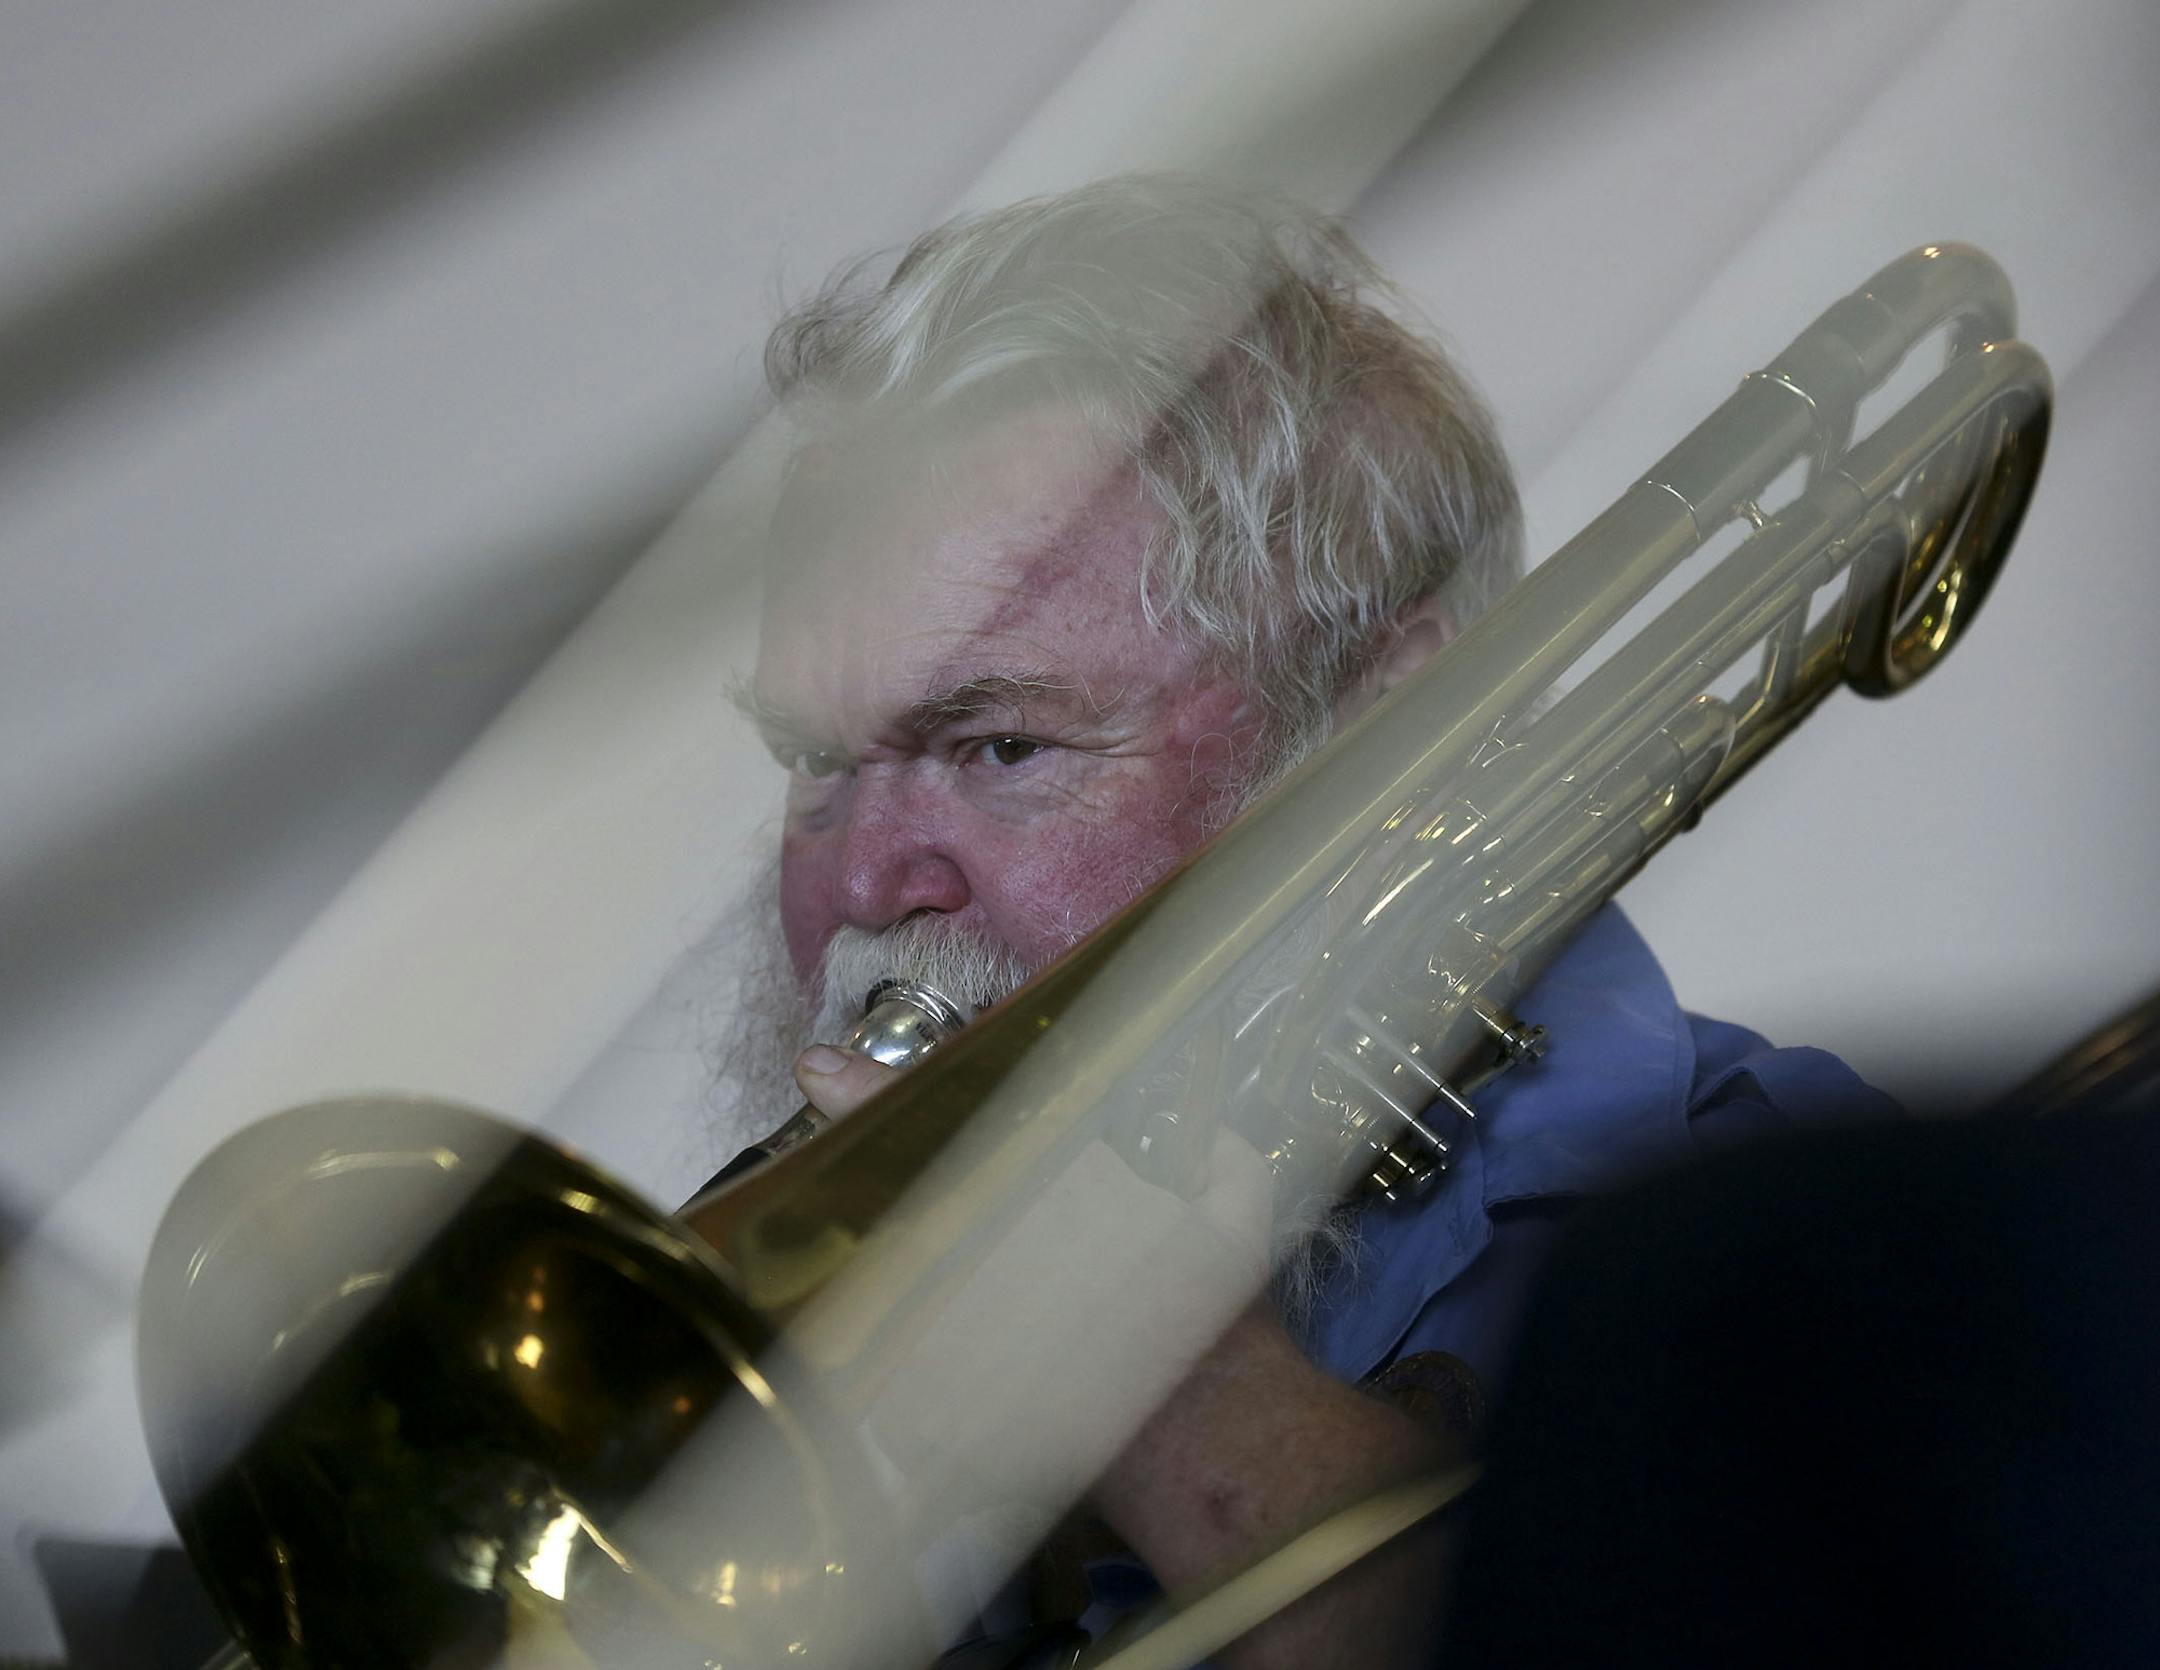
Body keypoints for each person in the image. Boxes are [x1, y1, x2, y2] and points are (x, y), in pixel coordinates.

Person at [713, 175, 1892, 1668]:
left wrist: (1177, 1399)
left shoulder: (1802, 1251)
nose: (866, 883)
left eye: (1002, 746)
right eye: (818, 760)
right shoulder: (774, 1398)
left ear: (1382, 735)